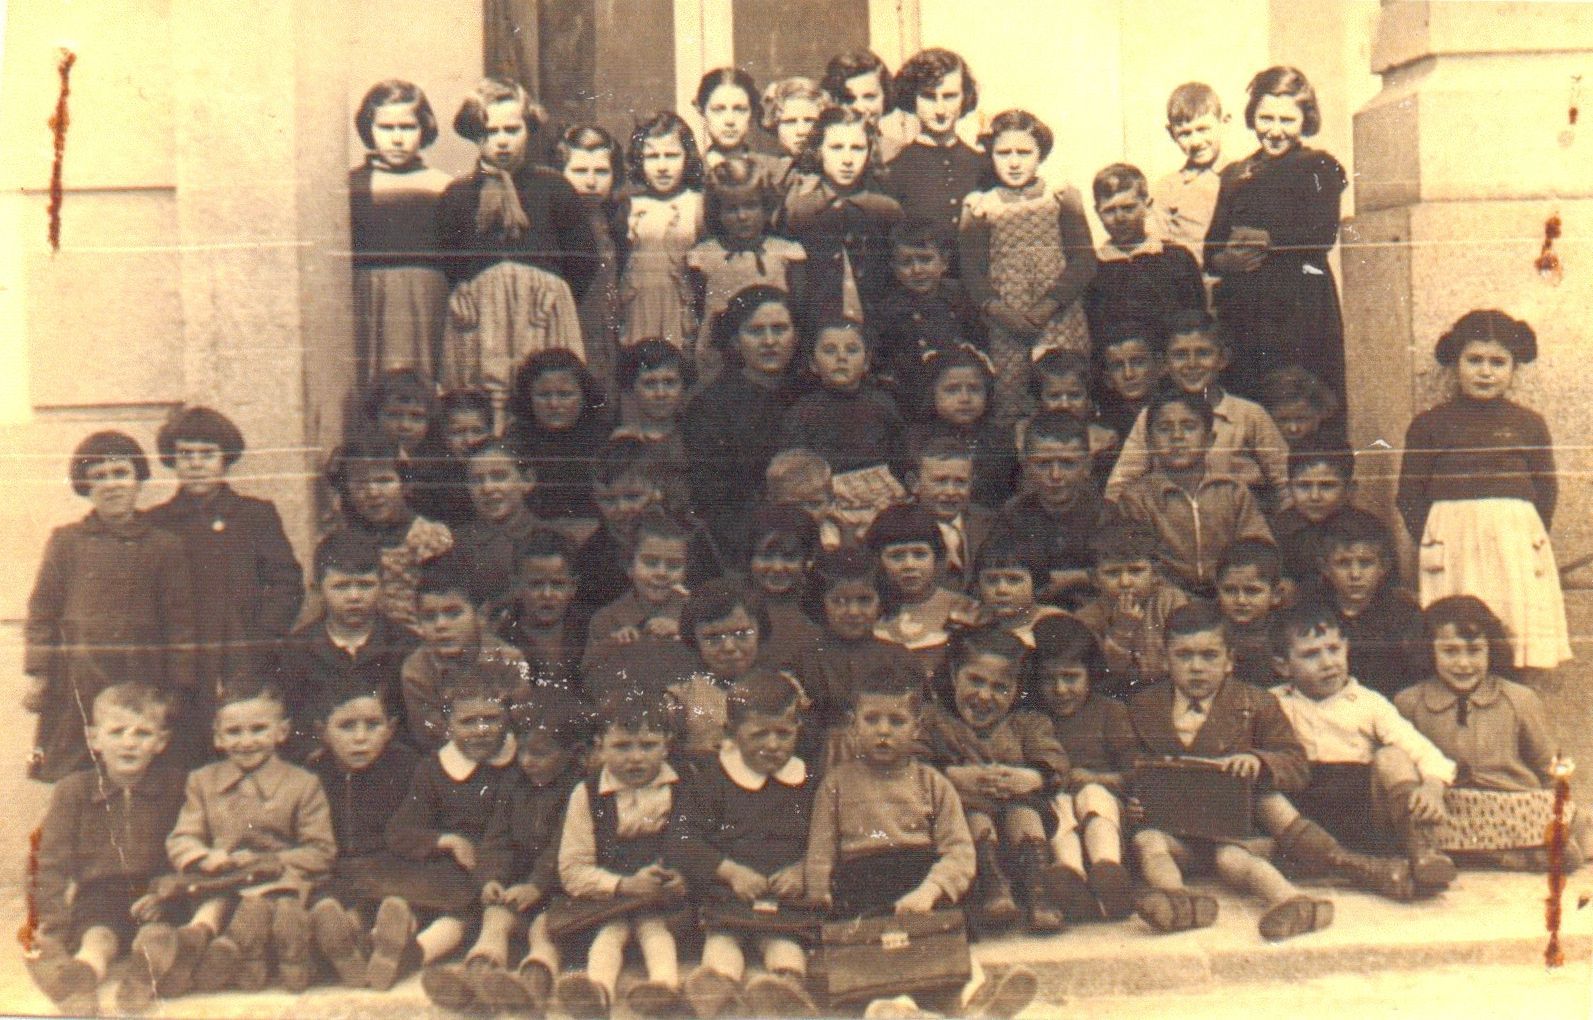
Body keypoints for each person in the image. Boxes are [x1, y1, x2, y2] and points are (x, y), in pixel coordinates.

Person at [804, 666, 1037, 1019]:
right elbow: (820, 851)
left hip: (922, 886)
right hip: (862, 892)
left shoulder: (933, 783)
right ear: (853, 726)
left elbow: (959, 852)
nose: (884, 730)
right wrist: (820, 894)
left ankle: (978, 1004)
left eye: (897, 721)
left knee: (948, 951)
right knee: (878, 957)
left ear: (916, 729)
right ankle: (898, 1009)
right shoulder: (836, 785)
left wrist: (930, 891)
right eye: (872, 720)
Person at [1109, 603, 1330, 941]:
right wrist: (1136, 799)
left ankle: (1292, 902)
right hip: (1176, 834)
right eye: (1184, 656)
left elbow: (1296, 764)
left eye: (1209, 656)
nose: (1196, 667)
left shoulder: (1257, 703)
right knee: (1147, 841)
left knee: (1232, 860)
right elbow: (1129, 764)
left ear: (1229, 660)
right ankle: (1177, 900)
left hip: (1236, 832)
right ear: (1166, 659)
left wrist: (1259, 761)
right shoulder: (1143, 706)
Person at [1396, 309, 1570, 671]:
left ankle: (1510, 690)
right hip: (1452, 544)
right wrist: (1436, 539)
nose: (1485, 371)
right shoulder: (1429, 425)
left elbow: (1546, 490)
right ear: (1455, 363)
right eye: (1474, 360)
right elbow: (1409, 495)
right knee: (1457, 629)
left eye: (1498, 362)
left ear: (1514, 367)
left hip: (1513, 545)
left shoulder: (1529, 425)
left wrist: (1524, 537)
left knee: (1513, 629)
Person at [24, 431, 195, 782]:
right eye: (99, 476)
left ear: (138, 479)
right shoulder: (66, 542)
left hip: (141, 674)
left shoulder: (164, 545)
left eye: (121, 473)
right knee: (77, 771)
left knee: (139, 766)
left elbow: (181, 622)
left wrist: (178, 686)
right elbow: (42, 612)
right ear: (85, 485)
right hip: (78, 677)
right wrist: (39, 674)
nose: (112, 485)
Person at [1268, 601, 1459, 896]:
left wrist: (1433, 786)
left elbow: (1424, 751)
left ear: (1346, 648)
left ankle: (1422, 850)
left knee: (1392, 756)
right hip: (1305, 824)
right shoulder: (1272, 704)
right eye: (1311, 654)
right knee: (1266, 793)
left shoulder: (1369, 703)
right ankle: (1364, 869)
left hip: (1362, 817)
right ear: (1282, 665)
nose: (1328, 662)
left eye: (1334, 649)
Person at [149, 407, 304, 765]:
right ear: (172, 460)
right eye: (185, 454)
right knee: (187, 751)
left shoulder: (255, 516)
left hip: (246, 653)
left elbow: (286, 582)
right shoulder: (157, 522)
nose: (196, 464)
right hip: (183, 661)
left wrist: (262, 637)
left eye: (207, 454)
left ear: (225, 459)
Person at [421, 691, 590, 1014]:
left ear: (573, 753)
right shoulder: (515, 784)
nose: (527, 761)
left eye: (540, 753)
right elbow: (498, 839)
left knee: (544, 930)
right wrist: (491, 879)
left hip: (562, 891)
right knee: (494, 917)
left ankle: (532, 993)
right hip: (520, 887)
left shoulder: (579, 790)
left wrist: (537, 886)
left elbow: (563, 847)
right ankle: (475, 988)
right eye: (523, 751)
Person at [1396, 596, 1589, 872]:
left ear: (1491, 650)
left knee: (1561, 814)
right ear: (1429, 651)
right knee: (1417, 819)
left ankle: (1492, 854)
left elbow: (1551, 768)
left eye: (1474, 651)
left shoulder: (1519, 699)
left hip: (1513, 805)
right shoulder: (1410, 702)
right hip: (1451, 806)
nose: (1464, 663)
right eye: (1450, 652)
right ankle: (1513, 855)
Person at [164, 681, 335, 992]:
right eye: (233, 732)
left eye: (258, 729)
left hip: (279, 882)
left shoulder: (303, 784)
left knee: (272, 904)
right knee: (213, 903)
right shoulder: (202, 781)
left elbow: (320, 851)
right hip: (225, 880)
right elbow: (183, 837)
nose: (246, 741)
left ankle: (239, 954)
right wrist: (205, 857)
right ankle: (196, 940)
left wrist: (267, 860)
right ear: (218, 736)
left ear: (281, 731)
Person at [27, 684, 186, 1014]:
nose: (129, 742)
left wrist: (170, 890)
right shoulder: (75, 790)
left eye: (143, 733)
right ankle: (83, 977)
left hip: (156, 895)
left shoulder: (176, 787)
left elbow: (193, 842)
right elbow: (49, 861)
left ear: (162, 741)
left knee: (158, 935)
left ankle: (141, 980)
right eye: (117, 732)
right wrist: (54, 922)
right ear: (94, 738)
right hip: (99, 895)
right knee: (98, 938)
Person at [437, 78, 595, 404]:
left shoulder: (554, 188)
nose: (502, 141)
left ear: (528, 128)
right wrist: (464, 289)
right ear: (474, 134)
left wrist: (556, 291)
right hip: (481, 317)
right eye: (490, 132)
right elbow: (447, 257)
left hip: (543, 311)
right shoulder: (458, 194)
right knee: (483, 397)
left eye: (512, 130)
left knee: (546, 393)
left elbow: (583, 257)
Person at [680, 671, 821, 1019]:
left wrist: (804, 868)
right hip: (730, 896)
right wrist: (730, 872)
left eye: (784, 733)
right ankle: (720, 998)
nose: (773, 745)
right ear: (731, 732)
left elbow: (827, 835)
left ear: (798, 730)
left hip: (785, 899)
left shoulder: (807, 781)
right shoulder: (712, 780)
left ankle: (785, 993)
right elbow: (684, 839)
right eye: (759, 734)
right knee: (722, 943)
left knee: (784, 946)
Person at [1205, 66, 1347, 407]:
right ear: (1252, 116)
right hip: (1245, 310)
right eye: (1266, 118)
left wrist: (1268, 239)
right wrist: (1225, 260)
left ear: (1305, 119)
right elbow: (1211, 247)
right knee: (1248, 399)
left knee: (1301, 401)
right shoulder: (1235, 174)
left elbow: (1323, 234)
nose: (1275, 130)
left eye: (1287, 120)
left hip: (1300, 305)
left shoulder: (1319, 166)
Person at [550, 690, 695, 1020]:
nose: (636, 758)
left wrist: (683, 877)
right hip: (610, 898)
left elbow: (699, 846)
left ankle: (665, 990)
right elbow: (573, 868)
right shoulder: (586, 794)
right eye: (622, 746)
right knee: (609, 933)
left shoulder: (684, 787)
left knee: (655, 930)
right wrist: (624, 885)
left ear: (667, 745)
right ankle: (596, 993)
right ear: (600, 745)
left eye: (648, 745)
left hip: (664, 898)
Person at [922, 627, 1071, 933]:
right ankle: (992, 886)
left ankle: (1038, 890)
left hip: (1017, 824)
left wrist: (1032, 776)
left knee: (1025, 812)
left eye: (1000, 687)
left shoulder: (1028, 723)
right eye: (975, 680)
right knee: (973, 815)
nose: (984, 696)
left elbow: (1055, 760)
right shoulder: (933, 720)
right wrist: (952, 775)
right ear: (954, 675)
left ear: (1017, 689)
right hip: (967, 827)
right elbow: (913, 762)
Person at [376, 682, 521, 990]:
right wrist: (447, 841)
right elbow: (399, 831)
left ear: (508, 717)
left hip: (508, 871)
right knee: (450, 909)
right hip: (458, 875)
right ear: (447, 726)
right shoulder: (434, 769)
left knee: (469, 915)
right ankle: (394, 944)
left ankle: (408, 955)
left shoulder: (524, 762)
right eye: (468, 721)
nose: (481, 730)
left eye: (491, 719)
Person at [960, 109, 1095, 425]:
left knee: (1065, 392)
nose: (1014, 162)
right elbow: (972, 272)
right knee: (1015, 401)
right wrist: (1004, 314)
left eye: (1024, 152)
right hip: (1007, 323)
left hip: (1060, 317)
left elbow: (1083, 261)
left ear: (1040, 154)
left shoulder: (1060, 197)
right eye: (1003, 153)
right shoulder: (980, 206)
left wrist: (1047, 308)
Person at [304, 683, 422, 988]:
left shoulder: (408, 767)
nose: (360, 738)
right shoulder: (314, 772)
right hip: (337, 872)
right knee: (322, 901)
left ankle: (380, 938)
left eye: (372, 725)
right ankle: (351, 939)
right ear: (322, 731)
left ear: (391, 728)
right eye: (346, 726)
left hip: (390, 869)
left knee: (403, 899)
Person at [1105, 310, 1289, 503]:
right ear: (1165, 363)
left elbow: (1285, 482)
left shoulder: (1250, 415)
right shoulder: (1151, 416)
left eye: (1203, 353)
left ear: (1223, 358)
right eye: (1180, 355)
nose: (1192, 364)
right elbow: (1118, 487)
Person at [680, 286, 808, 553]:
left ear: (796, 336)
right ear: (736, 341)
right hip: (748, 542)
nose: (769, 341)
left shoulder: (810, 393)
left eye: (780, 329)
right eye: (755, 331)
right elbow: (713, 500)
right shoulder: (711, 406)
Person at [1110, 388, 1273, 594]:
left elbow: (1259, 548)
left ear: (1209, 439)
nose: (1177, 437)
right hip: (1166, 598)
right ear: (1149, 443)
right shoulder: (1137, 499)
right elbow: (1141, 564)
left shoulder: (1233, 492)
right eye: (1164, 429)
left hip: (1228, 594)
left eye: (1189, 427)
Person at [274, 532, 419, 759]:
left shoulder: (406, 645)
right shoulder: (296, 651)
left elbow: (412, 727)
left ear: (382, 586)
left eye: (365, 585)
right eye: (341, 586)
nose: (354, 596)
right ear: (319, 589)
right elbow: (292, 727)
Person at [1029, 616, 1135, 923]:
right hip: (1057, 809)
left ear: (1091, 675)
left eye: (1071, 677)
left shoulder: (1109, 712)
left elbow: (1135, 772)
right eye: (1049, 679)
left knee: (1092, 795)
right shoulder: (1032, 718)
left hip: (1107, 815)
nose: (1060, 689)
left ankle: (1108, 870)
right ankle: (1070, 876)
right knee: (1058, 805)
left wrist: (1097, 779)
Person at [349, 79, 452, 381]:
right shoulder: (352, 185)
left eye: (407, 127)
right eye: (386, 127)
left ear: (424, 128)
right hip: (370, 296)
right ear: (369, 129)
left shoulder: (443, 186)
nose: (397, 138)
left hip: (426, 297)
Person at [688, 157, 807, 385]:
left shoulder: (786, 253)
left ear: (766, 207)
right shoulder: (704, 256)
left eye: (751, 206)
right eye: (732, 208)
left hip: (771, 349)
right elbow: (698, 310)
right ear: (717, 212)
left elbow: (798, 311)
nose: (742, 216)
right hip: (719, 356)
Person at [781, 106, 904, 328]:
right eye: (836, 148)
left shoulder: (886, 210)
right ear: (819, 150)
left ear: (870, 152)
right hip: (815, 327)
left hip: (877, 326)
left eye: (857, 148)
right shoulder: (800, 210)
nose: (847, 159)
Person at [324, 429, 456, 633]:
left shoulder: (428, 538)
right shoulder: (342, 537)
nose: (373, 493)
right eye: (360, 483)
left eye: (384, 480)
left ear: (404, 484)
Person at [401, 555, 531, 750]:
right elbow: (430, 736)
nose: (441, 625)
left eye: (453, 613)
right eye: (429, 617)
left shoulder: (508, 660)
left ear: (480, 615)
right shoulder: (417, 671)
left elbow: (523, 723)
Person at [992, 411, 1110, 608]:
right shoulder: (1013, 513)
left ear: (1087, 466)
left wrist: (1080, 577)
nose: (1055, 475)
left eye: (1068, 463)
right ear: (1026, 466)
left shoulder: (1104, 513)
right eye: (1044, 464)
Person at [582, 511, 700, 705]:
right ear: (629, 565)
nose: (661, 573)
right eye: (650, 563)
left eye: (673, 565)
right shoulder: (607, 619)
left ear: (686, 570)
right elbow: (591, 682)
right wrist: (613, 647)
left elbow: (714, 671)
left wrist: (685, 633)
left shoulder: (696, 614)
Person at [1305, 508, 1422, 700]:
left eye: (1365, 563)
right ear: (1325, 567)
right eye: (1343, 563)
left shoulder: (1403, 616)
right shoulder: (1312, 614)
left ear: (1383, 566)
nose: (1355, 575)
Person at [1083, 163, 1204, 344]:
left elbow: (1197, 322)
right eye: (1109, 210)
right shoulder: (1092, 268)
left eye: (1128, 208)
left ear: (1147, 206)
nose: (1119, 218)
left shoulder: (1177, 259)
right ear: (1097, 212)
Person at [619, 111, 707, 351]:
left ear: (687, 157)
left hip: (679, 309)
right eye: (652, 156)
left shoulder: (696, 205)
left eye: (671, 156)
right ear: (639, 160)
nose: (662, 167)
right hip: (639, 308)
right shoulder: (630, 207)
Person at [1072, 522, 1191, 699]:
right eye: (1113, 573)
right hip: (1120, 696)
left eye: (1136, 571)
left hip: (1172, 691)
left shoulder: (1170, 601)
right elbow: (1107, 675)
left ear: (1155, 573)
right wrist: (1122, 631)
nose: (1125, 582)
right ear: (1094, 578)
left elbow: (1186, 654)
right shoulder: (1087, 619)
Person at [778, 319, 909, 479]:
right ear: (813, 363)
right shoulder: (802, 413)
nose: (841, 357)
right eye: (830, 351)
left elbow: (902, 462)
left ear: (866, 362)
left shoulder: (883, 404)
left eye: (852, 350)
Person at [873, 219, 987, 398]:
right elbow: (882, 362)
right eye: (906, 263)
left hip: (958, 392)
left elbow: (977, 341)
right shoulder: (890, 310)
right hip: (913, 395)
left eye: (925, 260)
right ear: (894, 268)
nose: (917, 270)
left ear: (944, 262)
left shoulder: (958, 297)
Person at [883, 48, 984, 243]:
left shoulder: (983, 166)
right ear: (912, 98)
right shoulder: (894, 172)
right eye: (929, 97)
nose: (940, 110)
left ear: (965, 97)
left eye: (950, 96)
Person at [557, 124, 626, 406]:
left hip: (608, 331)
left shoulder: (616, 222)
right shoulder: (556, 225)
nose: (590, 182)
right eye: (579, 171)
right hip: (570, 329)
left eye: (601, 172)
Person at [868, 503, 977, 675]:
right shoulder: (868, 609)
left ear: (936, 556)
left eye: (920, 554)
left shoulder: (963, 608)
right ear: (879, 560)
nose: (909, 565)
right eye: (897, 556)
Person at [506, 348, 613, 521]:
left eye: (565, 394)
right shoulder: (515, 439)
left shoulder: (605, 439)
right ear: (528, 398)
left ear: (584, 396)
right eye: (543, 395)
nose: (554, 404)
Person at [909, 344, 1018, 510]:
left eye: (974, 389)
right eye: (952, 390)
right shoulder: (917, 440)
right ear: (932, 393)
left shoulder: (1000, 441)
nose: (965, 398)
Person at [487, 528, 588, 693]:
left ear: (573, 586)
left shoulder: (589, 631)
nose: (547, 594)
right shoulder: (502, 637)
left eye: (557, 584)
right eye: (536, 584)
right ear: (516, 586)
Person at [451, 437, 545, 605]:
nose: (487, 488)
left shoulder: (549, 538)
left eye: (499, 477)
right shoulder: (456, 544)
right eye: (477, 480)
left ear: (527, 480)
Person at [1150, 82, 1230, 270]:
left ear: (1223, 122)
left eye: (1203, 129)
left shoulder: (1244, 177)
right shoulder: (1167, 188)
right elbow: (1156, 248)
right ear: (1171, 133)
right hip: (1189, 281)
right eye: (1185, 134)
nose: (1195, 142)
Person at [1269, 441, 1371, 588]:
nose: (1315, 496)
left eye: (1327, 485)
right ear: (1289, 487)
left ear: (1350, 488)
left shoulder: (1366, 530)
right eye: (1304, 486)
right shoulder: (1280, 530)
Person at [907, 435, 996, 593]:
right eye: (940, 481)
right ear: (914, 483)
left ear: (972, 483)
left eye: (961, 482)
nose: (950, 492)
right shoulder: (898, 527)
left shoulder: (990, 523)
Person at [1020, 349, 1121, 485]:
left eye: (1074, 395)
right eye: (1054, 396)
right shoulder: (1023, 435)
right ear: (1039, 400)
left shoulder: (1105, 439)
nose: (1065, 405)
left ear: (1088, 398)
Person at [744, 504, 825, 666]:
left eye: (789, 557)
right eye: (766, 557)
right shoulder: (736, 607)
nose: (777, 568)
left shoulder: (821, 609)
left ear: (808, 559)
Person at [970, 531, 1071, 648]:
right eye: (991, 580)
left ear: (1037, 583)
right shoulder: (974, 624)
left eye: (1014, 579)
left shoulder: (1057, 625)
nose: (1001, 590)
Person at [1214, 538, 1288, 687]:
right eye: (1230, 590)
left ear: (1276, 594)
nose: (1240, 600)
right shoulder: (1211, 632)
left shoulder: (1286, 634)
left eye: (1252, 591)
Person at [820, 49, 913, 165]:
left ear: (885, 96)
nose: (860, 108)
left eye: (869, 97)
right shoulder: (820, 154)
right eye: (849, 99)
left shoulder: (900, 156)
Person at [612, 340, 693, 464]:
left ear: (683, 386)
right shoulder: (619, 446)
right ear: (631, 388)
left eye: (669, 382)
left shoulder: (698, 440)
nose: (661, 393)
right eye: (649, 383)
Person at [695, 67, 775, 177]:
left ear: (752, 114)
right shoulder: (689, 173)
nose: (730, 120)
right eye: (718, 110)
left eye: (740, 109)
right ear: (702, 113)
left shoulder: (775, 173)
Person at [1093, 318, 1163, 443]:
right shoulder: (1104, 430)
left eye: (1138, 362)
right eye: (1118, 366)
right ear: (1108, 379)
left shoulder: (1177, 413)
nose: (1129, 374)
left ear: (1159, 365)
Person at [761, 76, 830, 191]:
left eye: (810, 120)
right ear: (775, 125)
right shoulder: (769, 175)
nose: (801, 131)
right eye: (790, 122)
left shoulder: (834, 175)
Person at [1260, 365, 1343, 450]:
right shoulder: (1259, 449)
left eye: (1301, 419)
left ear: (1319, 415)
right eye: (1283, 420)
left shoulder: (1336, 449)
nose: (1293, 429)